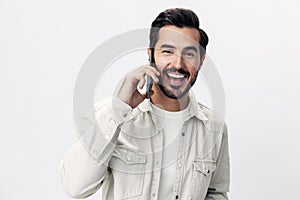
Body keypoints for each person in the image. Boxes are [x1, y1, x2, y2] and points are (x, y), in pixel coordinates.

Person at [59, 8, 230, 200]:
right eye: (167, 51)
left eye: (189, 54)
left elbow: (215, 193)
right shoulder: (111, 116)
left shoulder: (213, 127)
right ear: (150, 55)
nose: (178, 63)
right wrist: (119, 107)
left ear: (201, 60)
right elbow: (75, 186)